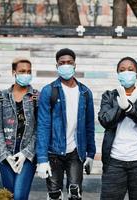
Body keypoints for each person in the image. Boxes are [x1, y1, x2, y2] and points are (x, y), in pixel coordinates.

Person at [36, 48, 96, 200]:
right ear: (57, 66)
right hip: (53, 152)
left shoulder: (85, 92)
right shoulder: (49, 91)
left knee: (75, 195)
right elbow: (43, 126)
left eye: (69, 62)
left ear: (75, 65)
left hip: (76, 152)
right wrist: (42, 159)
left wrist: (91, 154)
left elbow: (90, 125)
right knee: (54, 195)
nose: (66, 65)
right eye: (62, 63)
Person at [98, 57, 137, 200]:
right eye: (122, 70)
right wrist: (121, 105)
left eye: (131, 70)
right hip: (114, 161)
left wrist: (131, 108)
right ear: (117, 74)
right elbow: (105, 120)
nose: (126, 73)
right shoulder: (109, 96)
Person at [0, 57, 38, 200]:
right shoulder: (1, 97)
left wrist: (26, 153)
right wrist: (4, 155)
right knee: (9, 196)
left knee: (19, 196)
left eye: (29, 71)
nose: (26, 74)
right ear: (14, 72)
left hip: (27, 154)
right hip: (7, 154)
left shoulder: (36, 97)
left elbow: (40, 129)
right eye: (22, 71)